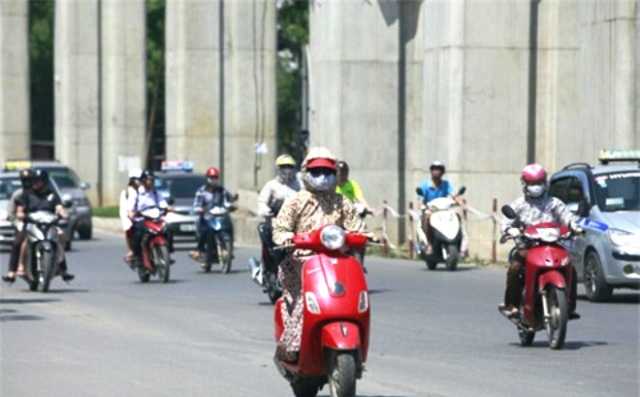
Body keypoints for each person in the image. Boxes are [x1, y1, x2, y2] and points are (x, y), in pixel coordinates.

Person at [272, 146, 369, 362]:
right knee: (305, 296)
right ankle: (292, 343)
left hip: (337, 259)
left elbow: (356, 227)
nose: (322, 177)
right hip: (303, 259)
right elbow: (280, 229)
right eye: (316, 172)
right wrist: (288, 239)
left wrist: (364, 236)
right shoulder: (296, 200)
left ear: (335, 174)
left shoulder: (342, 201)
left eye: (327, 172)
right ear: (306, 172)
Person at [500, 163, 582, 319]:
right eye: (531, 183)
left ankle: (569, 307)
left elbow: (568, 217)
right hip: (527, 247)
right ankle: (511, 305)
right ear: (525, 184)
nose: (535, 186)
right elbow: (506, 223)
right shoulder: (519, 205)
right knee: (515, 268)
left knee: (570, 269)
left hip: (553, 246)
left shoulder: (554, 203)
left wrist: (574, 227)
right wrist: (509, 230)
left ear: (545, 183)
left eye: (538, 183)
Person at [14, 169, 74, 281]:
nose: (35, 183)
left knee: (61, 235)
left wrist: (63, 213)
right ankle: (21, 265)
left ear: (44, 182)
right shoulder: (27, 194)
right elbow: (20, 208)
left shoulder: (52, 194)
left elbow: (59, 207)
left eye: (38, 181)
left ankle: (60, 265)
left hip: (49, 223)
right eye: (34, 181)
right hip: (32, 224)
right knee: (25, 240)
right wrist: (20, 214)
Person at [253, 155, 301, 282]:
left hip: (293, 223)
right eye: (284, 167)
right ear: (278, 168)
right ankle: (264, 269)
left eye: (289, 167)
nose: (287, 170)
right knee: (267, 239)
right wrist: (266, 211)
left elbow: (305, 201)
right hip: (274, 221)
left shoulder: (297, 185)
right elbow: (262, 201)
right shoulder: (271, 185)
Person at [189, 166, 236, 263]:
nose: (213, 181)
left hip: (220, 217)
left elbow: (226, 202)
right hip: (207, 218)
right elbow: (196, 204)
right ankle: (200, 250)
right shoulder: (201, 191)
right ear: (207, 179)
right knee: (207, 231)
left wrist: (231, 207)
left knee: (229, 226)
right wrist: (200, 209)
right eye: (211, 178)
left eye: (215, 178)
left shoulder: (222, 191)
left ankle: (229, 248)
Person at [417, 160, 464, 255]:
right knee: (426, 219)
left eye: (438, 169)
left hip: (443, 211)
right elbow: (420, 199)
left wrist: (459, 201)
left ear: (442, 172)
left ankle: (457, 244)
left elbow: (454, 194)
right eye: (434, 169)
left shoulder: (446, 185)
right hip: (430, 211)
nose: (436, 171)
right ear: (431, 171)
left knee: (457, 217)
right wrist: (422, 206)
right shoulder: (425, 185)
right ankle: (430, 243)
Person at [127, 169, 174, 263]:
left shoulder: (156, 193)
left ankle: (167, 253)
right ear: (143, 180)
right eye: (149, 180)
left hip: (155, 219)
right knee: (138, 234)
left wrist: (168, 208)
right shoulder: (136, 193)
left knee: (168, 229)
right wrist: (131, 213)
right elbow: (130, 208)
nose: (151, 182)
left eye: (153, 180)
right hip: (141, 219)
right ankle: (138, 257)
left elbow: (163, 204)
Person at [2, 168, 35, 282]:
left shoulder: (44, 193)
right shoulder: (18, 195)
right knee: (17, 242)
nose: (28, 183)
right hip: (24, 225)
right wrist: (17, 223)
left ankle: (61, 269)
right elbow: (10, 213)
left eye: (30, 180)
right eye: (25, 180)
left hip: (41, 224)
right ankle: (12, 271)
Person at [119, 167, 141, 262]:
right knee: (129, 229)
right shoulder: (127, 192)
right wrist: (130, 217)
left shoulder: (145, 191)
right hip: (132, 217)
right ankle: (131, 250)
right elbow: (124, 210)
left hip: (145, 216)